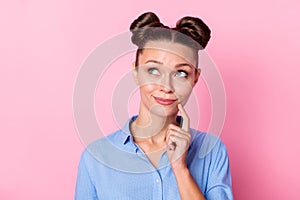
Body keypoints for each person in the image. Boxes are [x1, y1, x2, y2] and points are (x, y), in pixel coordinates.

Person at [75, 12, 233, 200]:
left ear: (195, 78)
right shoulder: (96, 158)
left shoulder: (212, 151)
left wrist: (180, 169)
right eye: (154, 70)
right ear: (136, 72)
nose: (166, 87)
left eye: (181, 73)